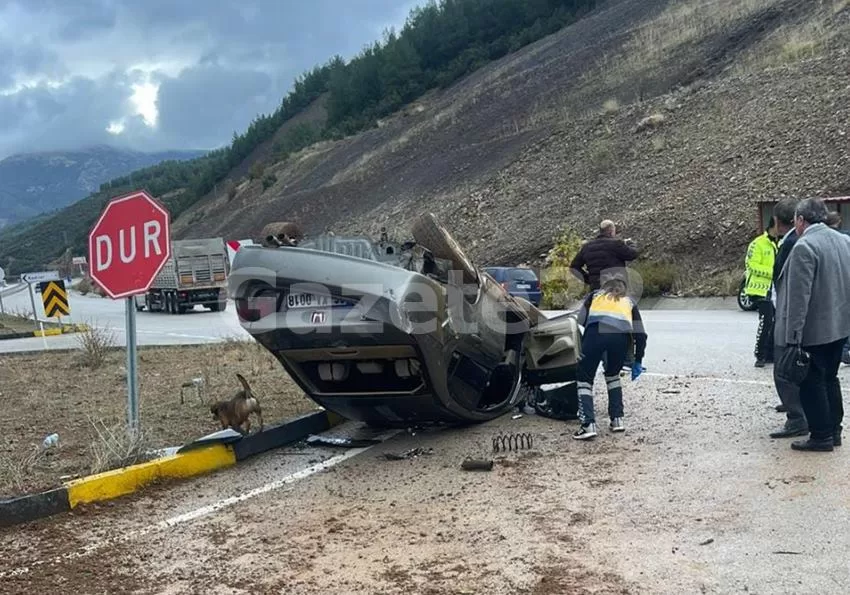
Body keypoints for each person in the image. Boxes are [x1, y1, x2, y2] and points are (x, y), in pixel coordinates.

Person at [774, 198, 850, 452]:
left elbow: (798, 298)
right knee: (830, 378)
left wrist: (793, 337)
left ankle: (820, 436)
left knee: (811, 382)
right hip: (840, 326)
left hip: (814, 329)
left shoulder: (805, 246)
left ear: (800, 220)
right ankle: (834, 430)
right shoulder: (843, 240)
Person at [572, 273, 647, 440]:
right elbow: (641, 335)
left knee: (584, 378)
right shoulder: (629, 302)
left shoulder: (594, 296)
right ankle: (617, 420)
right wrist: (638, 360)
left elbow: (580, 321)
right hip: (620, 341)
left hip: (595, 335)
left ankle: (588, 425)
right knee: (613, 376)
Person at [768, 198, 808, 438]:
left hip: (788, 314)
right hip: (794, 313)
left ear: (776, 221)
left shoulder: (792, 242)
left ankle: (797, 417)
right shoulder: (798, 239)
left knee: (784, 367)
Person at [744, 219, 778, 367]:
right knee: (767, 321)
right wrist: (773, 273)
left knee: (776, 322)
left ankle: (771, 353)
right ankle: (760, 354)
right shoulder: (758, 243)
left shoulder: (780, 243)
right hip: (760, 289)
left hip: (776, 290)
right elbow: (751, 265)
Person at [570, 220, 638, 291]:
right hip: (616, 288)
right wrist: (630, 243)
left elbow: (574, 267)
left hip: (596, 288)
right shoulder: (616, 244)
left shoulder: (587, 247)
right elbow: (633, 255)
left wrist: (589, 279)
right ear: (611, 231)